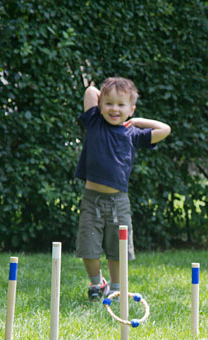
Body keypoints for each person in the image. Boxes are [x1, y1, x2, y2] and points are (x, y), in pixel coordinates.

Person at [74, 77, 171, 301]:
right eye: (109, 103)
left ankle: (116, 288)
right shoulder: (94, 122)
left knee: (118, 249)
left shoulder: (132, 134)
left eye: (121, 105)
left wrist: (137, 120)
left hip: (118, 201)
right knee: (88, 247)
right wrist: (107, 98)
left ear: (130, 109)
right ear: (100, 106)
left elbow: (164, 129)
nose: (114, 109)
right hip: (92, 199)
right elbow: (90, 90)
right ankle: (98, 284)